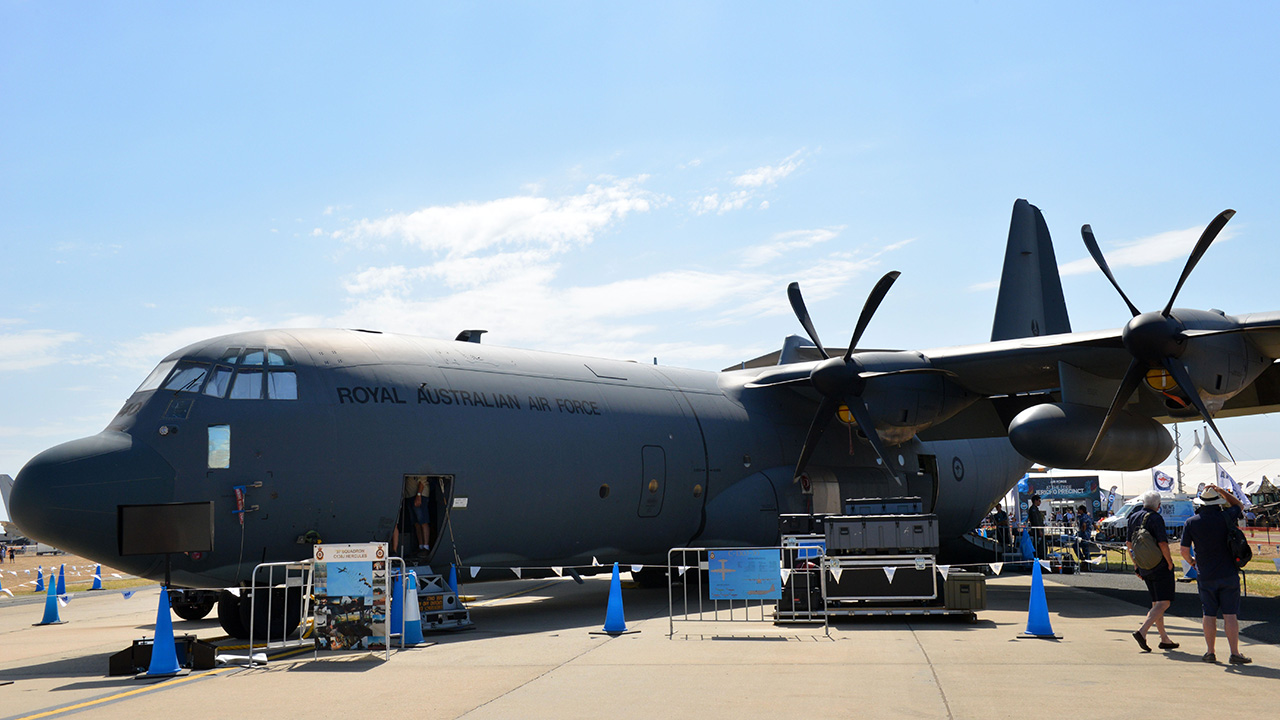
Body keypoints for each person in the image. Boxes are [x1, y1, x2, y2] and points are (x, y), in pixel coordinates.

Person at [1180, 485, 1250, 664]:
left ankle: (1210, 652)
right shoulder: (1226, 516)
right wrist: (1222, 491)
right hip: (1228, 572)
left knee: (1209, 614)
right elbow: (1239, 505)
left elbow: (1184, 550)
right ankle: (1234, 653)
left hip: (1206, 574)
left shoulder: (1191, 522)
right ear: (1218, 502)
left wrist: (1192, 562)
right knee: (1230, 615)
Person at [1127, 491, 1178, 652]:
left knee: (1156, 602)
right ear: (1159, 505)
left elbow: (1129, 543)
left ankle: (1164, 638)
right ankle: (1142, 631)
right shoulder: (1156, 518)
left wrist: (1136, 564)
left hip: (1144, 565)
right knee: (1164, 602)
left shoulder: (1133, 517)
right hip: (1159, 565)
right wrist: (1169, 562)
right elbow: (1162, 543)